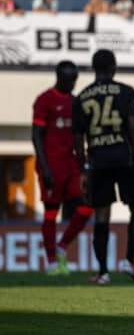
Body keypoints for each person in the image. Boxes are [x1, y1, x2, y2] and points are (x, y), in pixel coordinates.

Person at [72, 49, 134, 284]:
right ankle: (128, 261)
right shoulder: (126, 91)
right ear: (114, 67)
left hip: (98, 161)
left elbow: (77, 138)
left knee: (102, 214)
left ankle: (103, 272)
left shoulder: (81, 97)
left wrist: (83, 168)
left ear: (94, 69)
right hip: (123, 156)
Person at [32, 61, 94, 275]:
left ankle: (61, 246)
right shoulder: (44, 100)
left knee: (87, 205)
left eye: (74, 79)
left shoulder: (76, 102)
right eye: (68, 79)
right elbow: (36, 135)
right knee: (51, 212)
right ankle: (51, 261)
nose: (72, 83)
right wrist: (45, 167)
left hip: (72, 165)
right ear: (59, 77)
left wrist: (84, 164)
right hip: (51, 164)